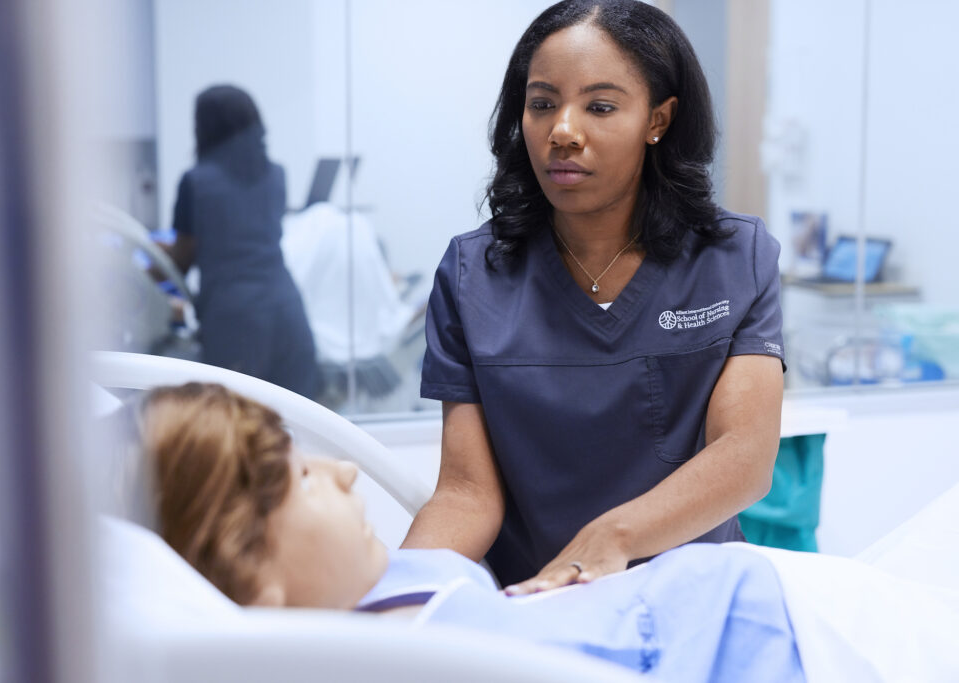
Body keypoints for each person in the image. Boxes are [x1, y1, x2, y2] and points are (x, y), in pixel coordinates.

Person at [403, 0, 785, 593]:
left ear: (658, 119)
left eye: (600, 106)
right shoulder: (472, 274)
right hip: (534, 602)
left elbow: (745, 458)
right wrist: (393, 600)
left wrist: (615, 539)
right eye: (542, 104)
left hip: (691, 594)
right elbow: (466, 495)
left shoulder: (735, 259)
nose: (562, 131)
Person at [111, 381, 806, 681]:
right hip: (777, 633)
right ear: (248, 571)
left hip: (745, 599)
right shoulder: (382, 650)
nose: (345, 471)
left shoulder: (386, 582)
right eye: (300, 479)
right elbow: (468, 493)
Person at [166, 85, 321, 398]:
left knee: (236, 434)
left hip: (236, 325)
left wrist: (144, 265)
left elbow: (180, 260)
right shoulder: (277, 175)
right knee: (291, 432)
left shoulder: (196, 182)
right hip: (289, 317)